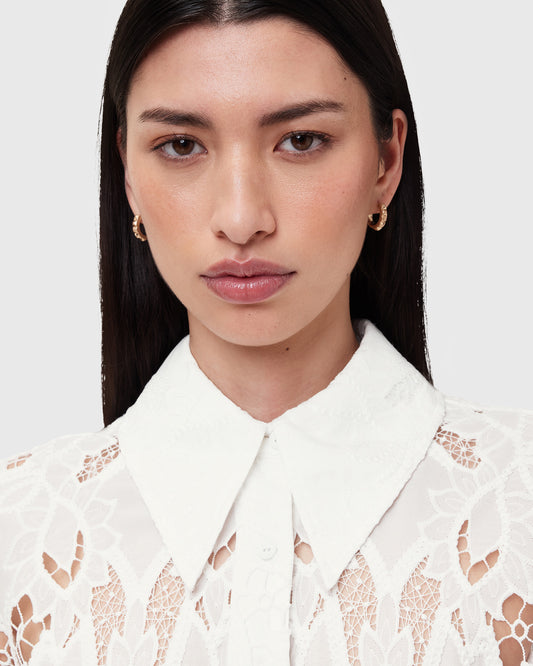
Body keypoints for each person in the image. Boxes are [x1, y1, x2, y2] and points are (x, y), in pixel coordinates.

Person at [1, 0, 532, 664]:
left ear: (386, 160)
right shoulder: (19, 535)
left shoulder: (519, 507)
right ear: (129, 176)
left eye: (300, 140)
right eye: (181, 145)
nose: (241, 217)